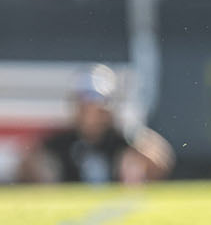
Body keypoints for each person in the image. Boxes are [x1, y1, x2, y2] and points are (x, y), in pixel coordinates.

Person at [20, 70, 174, 185]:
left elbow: (161, 161)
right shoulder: (61, 141)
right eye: (85, 108)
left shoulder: (123, 138)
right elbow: (26, 164)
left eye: (97, 108)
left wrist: (138, 146)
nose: (91, 116)